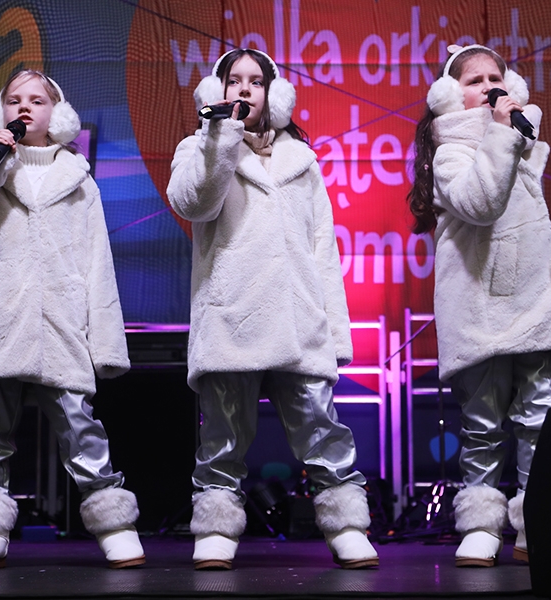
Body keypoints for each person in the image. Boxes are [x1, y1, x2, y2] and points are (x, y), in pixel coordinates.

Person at [166, 48, 379, 570]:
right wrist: (222, 138)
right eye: (234, 81)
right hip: (230, 316)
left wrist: (336, 335)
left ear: (273, 93)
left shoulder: (302, 162)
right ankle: (216, 528)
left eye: (255, 82)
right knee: (222, 437)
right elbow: (194, 204)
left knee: (322, 430)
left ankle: (348, 523)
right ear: (215, 92)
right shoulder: (197, 147)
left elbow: (322, 251)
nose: (244, 90)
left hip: (297, 318)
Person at [0, 70, 145, 570]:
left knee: (79, 424)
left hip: (60, 322)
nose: (25, 107)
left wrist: (106, 345)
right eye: (14, 99)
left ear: (58, 114)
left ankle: (113, 521)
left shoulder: (78, 179)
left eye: (37, 99)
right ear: (0, 112)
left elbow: (98, 263)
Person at [407, 45, 551, 567]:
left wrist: (509, 134)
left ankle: (538, 517)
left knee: (542, 417)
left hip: (533, 299)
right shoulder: (450, 150)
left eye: (495, 76)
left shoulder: (520, 141)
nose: (488, 86)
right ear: (452, 95)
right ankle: (480, 523)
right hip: (479, 306)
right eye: (475, 80)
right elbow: (480, 203)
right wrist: (500, 133)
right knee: (483, 423)